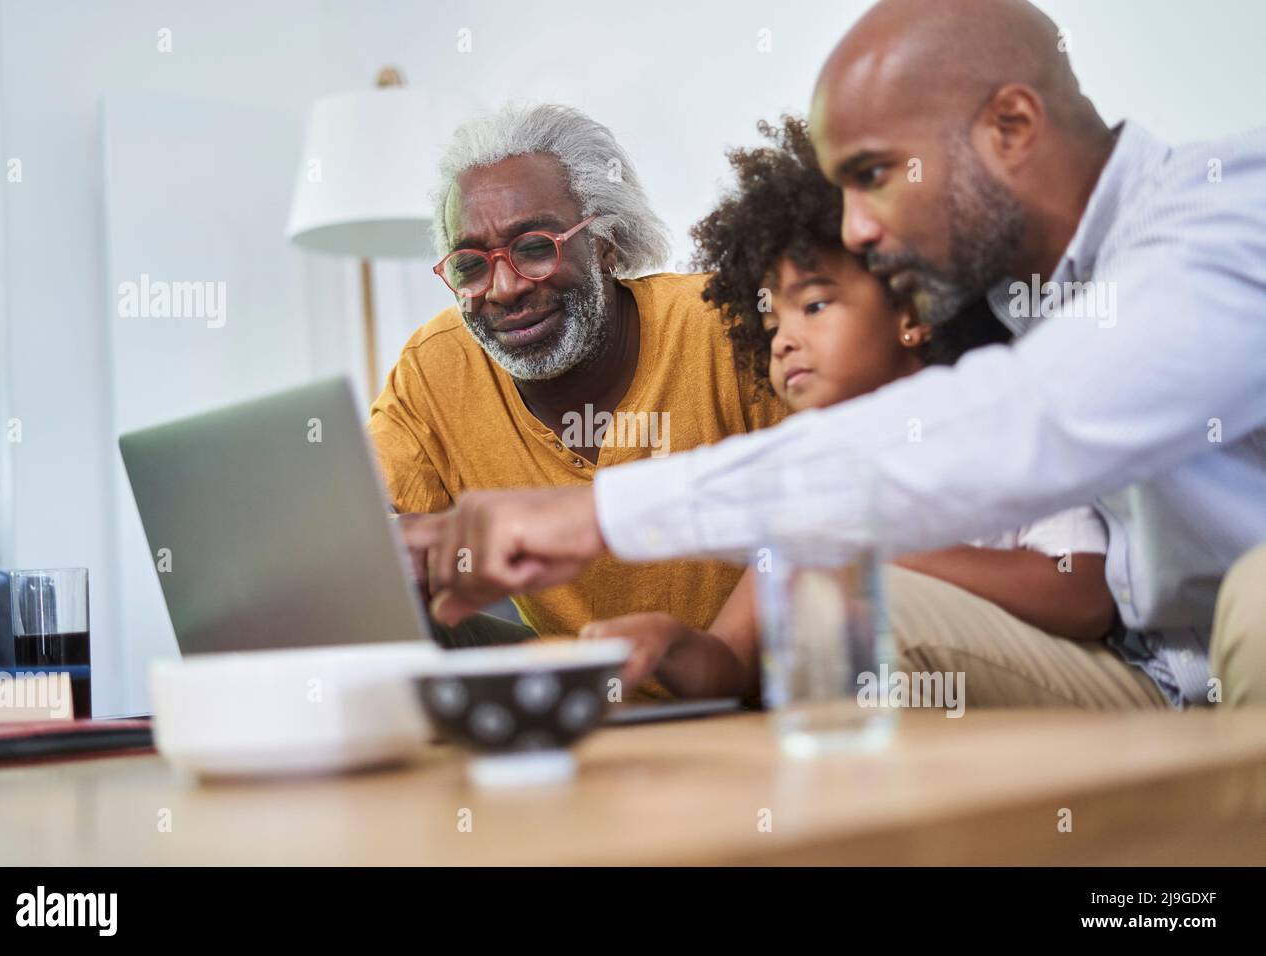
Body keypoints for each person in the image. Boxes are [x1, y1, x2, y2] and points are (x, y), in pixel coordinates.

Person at [405, 0, 1266, 708]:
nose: (855, 226)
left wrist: (598, 514)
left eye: (877, 174)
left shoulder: (1227, 220)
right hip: (1155, 677)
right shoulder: (1004, 297)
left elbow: (1030, 421)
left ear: (1011, 125)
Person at [579, 116, 1140, 703]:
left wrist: (874, 552)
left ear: (913, 314)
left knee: (849, 599)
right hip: (942, 718)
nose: (784, 341)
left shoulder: (999, 421)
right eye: (772, 324)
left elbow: (1085, 597)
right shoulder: (818, 474)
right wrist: (669, 642)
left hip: (1078, 695)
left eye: (815, 305)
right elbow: (732, 663)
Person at [366, 103, 785, 660]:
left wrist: (717, 662)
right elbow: (368, 520)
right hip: (578, 683)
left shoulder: (727, 322)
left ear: (607, 243)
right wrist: (390, 547)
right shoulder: (436, 365)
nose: (504, 288)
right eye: (470, 264)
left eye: (536, 247)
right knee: (384, 622)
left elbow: (827, 505)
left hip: (757, 678)